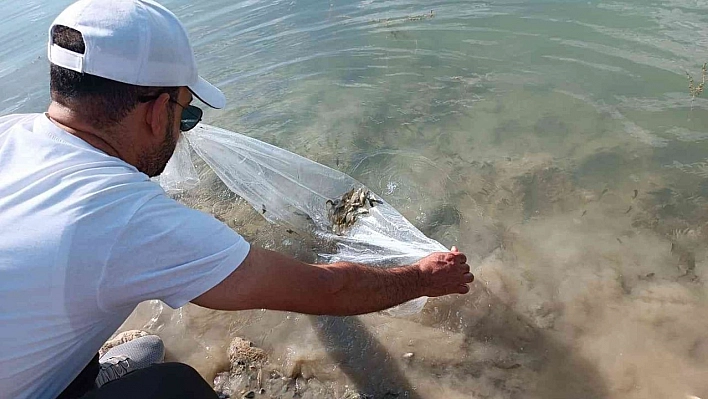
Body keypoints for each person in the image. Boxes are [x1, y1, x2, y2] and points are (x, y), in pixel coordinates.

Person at [0, 0, 474, 398]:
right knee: (173, 388)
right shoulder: (125, 219)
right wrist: (422, 277)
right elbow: (326, 290)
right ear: (160, 109)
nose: (185, 130)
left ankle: (75, 374)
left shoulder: (8, 132)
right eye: (187, 114)